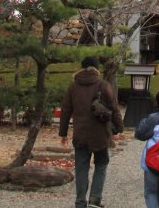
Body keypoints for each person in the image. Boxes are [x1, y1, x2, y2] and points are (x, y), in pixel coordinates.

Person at [59, 56, 124, 208]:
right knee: (101, 164)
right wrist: (119, 128)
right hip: (100, 134)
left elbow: (65, 110)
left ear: (82, 67)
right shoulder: (103, 85)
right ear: (96, 68)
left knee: (81, 168)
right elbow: (114, 109)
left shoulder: (73, 86)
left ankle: (80, 201)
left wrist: (63, 133)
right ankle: (95, 199)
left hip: (80, 133)